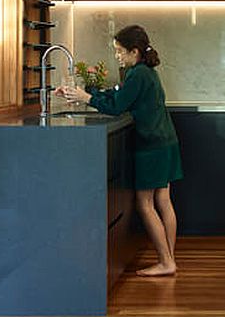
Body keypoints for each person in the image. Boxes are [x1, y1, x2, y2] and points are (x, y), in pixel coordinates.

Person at [59, 25, 182, 276]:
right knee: (163, 201)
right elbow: (119, 96)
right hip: (166, 142)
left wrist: (86, 98)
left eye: (119, 51)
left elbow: (116, 106)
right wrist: (86, 94)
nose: (117, 56)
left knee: (145, 203)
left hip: (151, 146)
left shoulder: (137, 74)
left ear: (133, 51)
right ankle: (168, 258)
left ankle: (166, 262)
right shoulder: (147, 72)